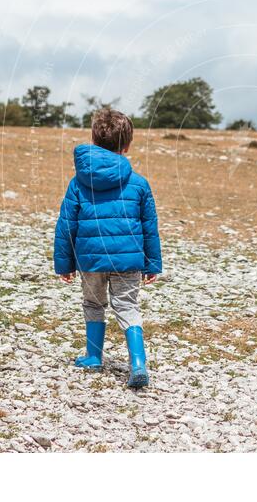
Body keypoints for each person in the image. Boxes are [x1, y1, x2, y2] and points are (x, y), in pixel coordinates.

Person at [53, 108, 162, 387]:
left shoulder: (78, 183)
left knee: (93, 303)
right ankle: (138, 363)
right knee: (127, 305)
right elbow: (149, 226)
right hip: (128, 261)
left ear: (94, 140)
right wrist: (152, 263)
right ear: (127, 145)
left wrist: (64, 264)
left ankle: (93, 356)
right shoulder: (139, 184)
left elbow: (66, 224)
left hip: (90, 259)